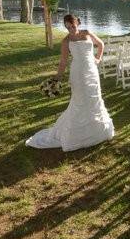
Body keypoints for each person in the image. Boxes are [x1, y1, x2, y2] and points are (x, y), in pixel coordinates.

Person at [26, 14, 115, 151]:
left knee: (95, 98)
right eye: (68, 28)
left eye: (72, 26)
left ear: (78, 23)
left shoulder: (87, 33)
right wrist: (57, 78)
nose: (71, 30)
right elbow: (63, 62)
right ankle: (75, 136)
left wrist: (98, 58)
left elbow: (101, 44)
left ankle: (97, 132)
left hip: (92, 71)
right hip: (78, 73)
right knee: (79, 101)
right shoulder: (66, 41)